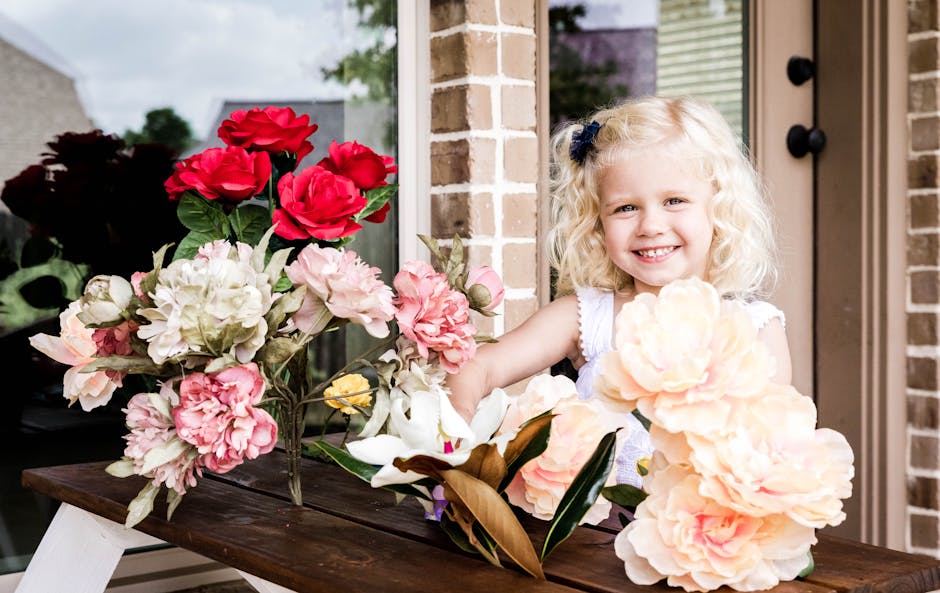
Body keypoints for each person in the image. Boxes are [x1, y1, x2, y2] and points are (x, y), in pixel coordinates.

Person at [446, 95, 792, 487]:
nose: (650, 225)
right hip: (589, 538)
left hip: (699, 537)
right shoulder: (586, 317)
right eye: (625, 208)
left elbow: (776, 448)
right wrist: (457, 421)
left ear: (720, 208)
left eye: (674, 201)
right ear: (597, 223)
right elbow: (480, 366)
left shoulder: (754, 329)